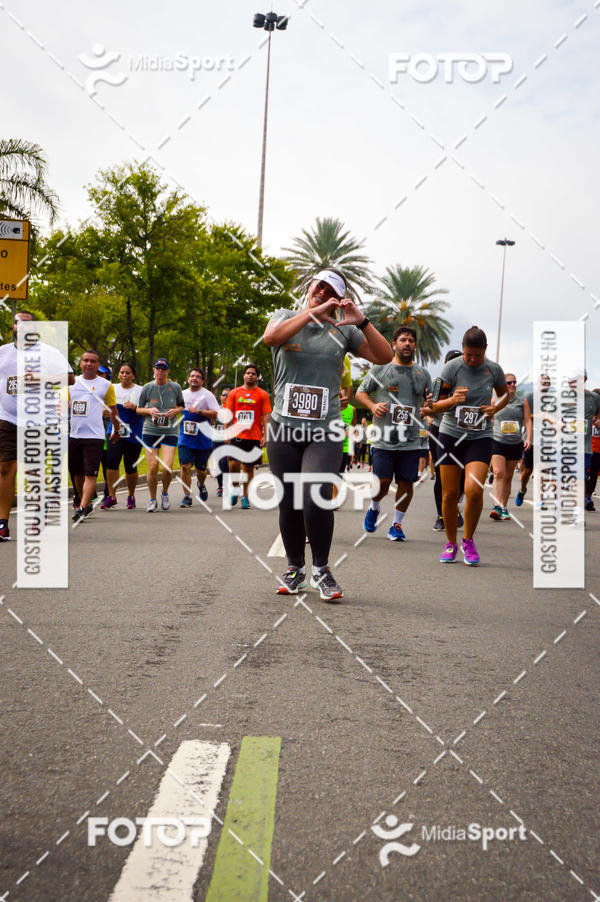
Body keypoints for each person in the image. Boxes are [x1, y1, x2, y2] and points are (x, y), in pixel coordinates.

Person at [263, 268, 392, 600]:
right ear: (309, 288)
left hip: (324, 429)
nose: (321, 291)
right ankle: (295, 570)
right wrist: (309, 315)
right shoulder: (285, 316)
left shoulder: (343, 331)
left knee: (315, 494)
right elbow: (271, 339)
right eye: (318, 285)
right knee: (289, 500)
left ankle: (322, 569)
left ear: (338, 299)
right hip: (283, 427)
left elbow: (384, 356)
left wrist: (361, 321)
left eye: (329, 289)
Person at [430, 326, 509, 565]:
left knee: (474, 490)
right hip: (451, 434)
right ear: (462, 350)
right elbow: (434, 405)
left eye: (477, 355)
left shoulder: (493, 369)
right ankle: (451, 542)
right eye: (468, 355)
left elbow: (505, 395)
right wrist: (453, 400)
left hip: (480, 435)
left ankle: (468, 540)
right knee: (450, 493)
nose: (473, 360)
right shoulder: (451, 368)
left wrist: (495, 408)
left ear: (485, 350)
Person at [0, 311, 74, 541]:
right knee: (4, 468)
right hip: (7, 418)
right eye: (17, 323)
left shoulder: (48, 353)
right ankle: (3, 522)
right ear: (13, 326)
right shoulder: (3, 352)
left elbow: (70, 378)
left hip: (38, 420)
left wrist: (40, 378)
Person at [357, 325, 432, 542]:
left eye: (410, 340)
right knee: (382, 482)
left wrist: (429, 406)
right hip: (383, 438)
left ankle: (397, 524)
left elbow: (431, 403)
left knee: (407, 483)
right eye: (403, 340)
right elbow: (361, 392)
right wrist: (372, 406)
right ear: (394, 344)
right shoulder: (380, 369)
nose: (407, 343)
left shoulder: (422, 374)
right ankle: (374, 506)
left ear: (415, 345)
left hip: (412, 440)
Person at [70, 350, 120, 522]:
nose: (89, 364)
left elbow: (114, 410)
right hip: (74, 435)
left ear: (98, 365)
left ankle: (82, 507)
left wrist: (117, 429)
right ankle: (86, 500)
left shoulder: (106, 385)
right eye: (85, 360)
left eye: (92, 361)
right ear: (80, 363)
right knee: (77, 474)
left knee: (90, 474)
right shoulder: (71, 383)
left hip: (95, 436)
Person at [136, 358, 185, 512]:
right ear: (154, 370)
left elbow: (182, 406)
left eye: (163, 368)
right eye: (158, 368)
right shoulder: (147, 388)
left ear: (168, 371)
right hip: (150, 429)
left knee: (167, 467)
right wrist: (149, 411)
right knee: (152, 467)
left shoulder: (175, 387)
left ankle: (164, 492)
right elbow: (138, 409)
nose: (160, 371)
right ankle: (152, 499)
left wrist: (175, 411)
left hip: (170, 430)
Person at [224, 363, 271, 510]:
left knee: (248, 468)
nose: (250, 375)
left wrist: (265, 435)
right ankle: (235, 488)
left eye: (253, 374)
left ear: (257, 377)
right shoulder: (234, 393)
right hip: (237, 434)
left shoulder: (262, 394)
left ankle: (245, 497)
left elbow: (266, 416)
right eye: (248, 373)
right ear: (244, 376)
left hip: (254, 436)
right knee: (233, 464)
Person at [429, 349, 464, 531]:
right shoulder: (440, 382)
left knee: (463, 477)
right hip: (439, 431)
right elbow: (431, 407)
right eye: (451, 361)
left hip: (463, 433)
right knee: (441, 476)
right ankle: (441, 515)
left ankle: (452, 505)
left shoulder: (469, 381)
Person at [103, 363, 144, 509]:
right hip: (115, 431)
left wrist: (135, 408)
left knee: (130, 466)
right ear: (118, 374)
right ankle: (111, 496)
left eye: (128, 373)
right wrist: (105, 411)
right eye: (122, 373)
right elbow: (103, 407)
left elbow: (147, 410)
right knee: (111, 462)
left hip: (134, 433)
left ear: (133, 375)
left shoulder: (140, 390)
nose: (124, 375)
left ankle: (131, 495)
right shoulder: (111, 388)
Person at [489, 373, 528, 520]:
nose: (512, 385)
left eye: (514, 382)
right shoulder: (495, 401)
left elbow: (527, 421)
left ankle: (504, 507)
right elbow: (488, 418)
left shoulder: (521, 401)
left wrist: (528, 438)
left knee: (508, 477)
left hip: (515, 443)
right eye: (509, 382)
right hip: (497, 440)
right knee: (499, 473)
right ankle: (497, 507)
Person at [178, 368, 219, 507]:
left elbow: (217, 414)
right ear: (188, 378)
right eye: (192, 376)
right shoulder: (181, 394)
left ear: (202, 380)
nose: (194, 378)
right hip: (185, 436)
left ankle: (201, 484)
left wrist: (200, 411)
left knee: (201, 469)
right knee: (184, 466)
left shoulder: (207, 395)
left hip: (202, 437)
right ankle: (186, 495)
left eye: (198, 377)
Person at [515, 374, 549, 506]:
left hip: (546, 441)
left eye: (547, 382)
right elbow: (524, 416)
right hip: (532, 439)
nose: (545, 384)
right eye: (543, 382)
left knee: (543, 470)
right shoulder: (529, 397)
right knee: (527, 472)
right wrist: (538, 416)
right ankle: (522, 489)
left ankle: (541, 499)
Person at [211, 388, 231, 497]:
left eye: (228, 395)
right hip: (216, 439)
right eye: (223, 395)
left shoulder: (233, 410)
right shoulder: (216, 409)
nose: (225, 397)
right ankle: (220, 486)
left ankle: (227, 485)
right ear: (220, 397)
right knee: (218, 463)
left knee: (224, 461)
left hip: (228, 439)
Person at [588, 389, 600, 510]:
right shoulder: (588, 412)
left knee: (594, 475)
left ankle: (588, 497)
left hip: (598, 451)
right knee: (586, 474)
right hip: (588, 449)